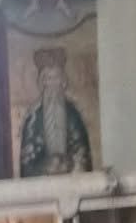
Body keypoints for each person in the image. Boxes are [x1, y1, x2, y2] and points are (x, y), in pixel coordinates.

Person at [18, 48, 92, 176]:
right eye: (48, 78)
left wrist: (69, 163)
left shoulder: (73, 114)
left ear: (63, 81)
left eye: (56, 77)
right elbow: (27, 164)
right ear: (42, 82)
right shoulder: (33, 119)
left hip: (71, 178)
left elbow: (82, 150)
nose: (52, 83)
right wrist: (46, 165)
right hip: (42, 181)